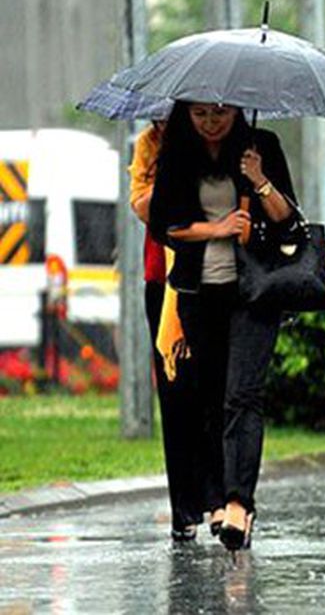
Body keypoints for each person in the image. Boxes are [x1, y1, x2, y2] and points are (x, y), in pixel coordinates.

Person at [149, 102, 298, 552]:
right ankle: (214, 497)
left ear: (237, 110)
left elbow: (288, 219)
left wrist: (258, 179)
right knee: (209, 396)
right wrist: (214, 229)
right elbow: (163, 226)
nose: (210, 122)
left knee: (243, 395)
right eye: (199, 114)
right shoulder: (177, 154)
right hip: (200, 294)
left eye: (219, 113)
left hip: (254, 293)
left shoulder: (261, 146)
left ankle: (239, 504)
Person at [130, 120, 213, 542]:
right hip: (162, 280)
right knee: (174, 388)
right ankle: (184, 508)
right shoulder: (150, 144)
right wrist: (173, 180)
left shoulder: (217, 139)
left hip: (215, 277)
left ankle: (219, 499)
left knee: (212, 390)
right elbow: (143, 207)